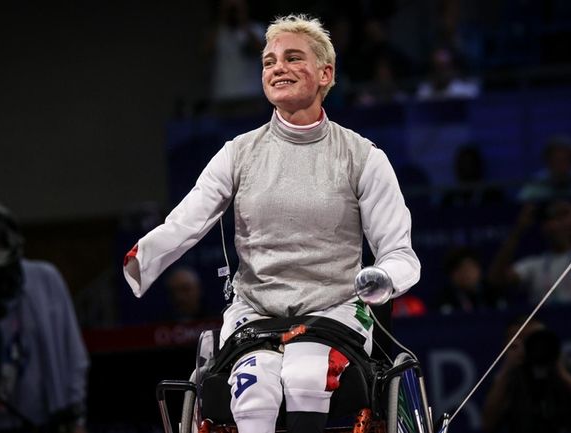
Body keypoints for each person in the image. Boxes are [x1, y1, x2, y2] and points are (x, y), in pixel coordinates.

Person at [122, 14, 420, 433]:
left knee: (305, 376)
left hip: (334, 310)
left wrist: (384, 278)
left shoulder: (363, 156)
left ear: (324, 74)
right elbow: (185, 221)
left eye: (292, 57)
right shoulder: (238, 153)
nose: (277, 67)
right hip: (256, 313)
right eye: (268, 61)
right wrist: (143, 257)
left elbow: (400, 253)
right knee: (255, 391)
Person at [0, 198, 89, 432]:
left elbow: (73, 353)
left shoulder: (44, 278)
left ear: (9, 242)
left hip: (47, 420)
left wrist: (77, 416)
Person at [481, 319, 571, 433]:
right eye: (522, 341)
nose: (532, 346)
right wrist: (507, 369)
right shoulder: (506, 379)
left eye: (535, 339)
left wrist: (559, 372)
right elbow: (488, 424)